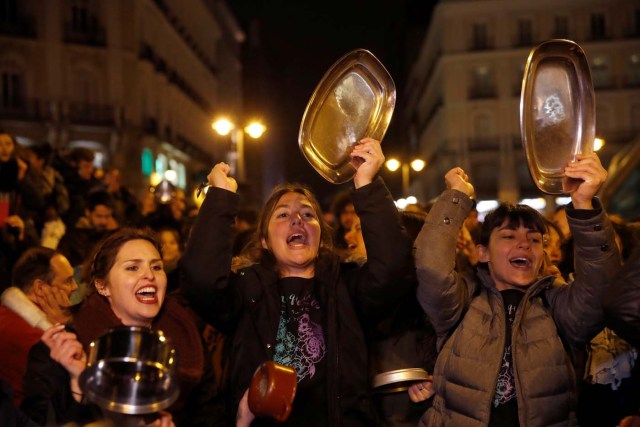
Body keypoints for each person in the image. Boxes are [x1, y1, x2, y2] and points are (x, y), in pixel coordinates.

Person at [180, 138, 413, 426]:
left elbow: (393, 270)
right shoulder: (246, 291)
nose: (297, 220)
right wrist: (219, 199)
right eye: (282, 215)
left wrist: (367, 184)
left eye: (307, 214)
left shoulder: (347, 287)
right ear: (264, 241)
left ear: (321, 237)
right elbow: (200, 280)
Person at [415, 153, 621, 426]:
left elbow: (600, 288)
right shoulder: (462, 299)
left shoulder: (557, 304)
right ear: (483, 252)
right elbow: (431, 265)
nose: (524, 244)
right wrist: (456, 197)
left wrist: (584, 204)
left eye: (535, 239)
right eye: (509, 236)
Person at [21, 228, 210, 426]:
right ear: (102, 286)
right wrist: (78, 388)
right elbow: (37, 420)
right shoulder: (62, 348)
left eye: (156, 267)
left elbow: (210, 414)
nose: (149, 276)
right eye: (133, 268)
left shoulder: (186, 336)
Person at [0, 247, 77, 406]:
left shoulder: (5, 314)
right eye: (68, 281)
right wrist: (68, 327)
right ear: (40, 288)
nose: (75, 286)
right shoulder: (39, 338)